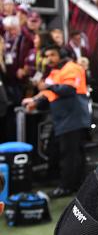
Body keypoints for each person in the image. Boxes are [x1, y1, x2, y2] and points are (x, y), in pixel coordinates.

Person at [21, 45, 91, 198]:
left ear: (62, 54)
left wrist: (49, 86)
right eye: (47, 55)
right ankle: (71, 183)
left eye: (52, 55)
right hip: (63, 120)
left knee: (71, 155)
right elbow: (47, 93)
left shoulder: (72, 67)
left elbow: (68, 90)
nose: (49, 59)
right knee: (63, 152)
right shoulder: (54, 72)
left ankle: (67, 187)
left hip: (74, 118)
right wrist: (34, 100)